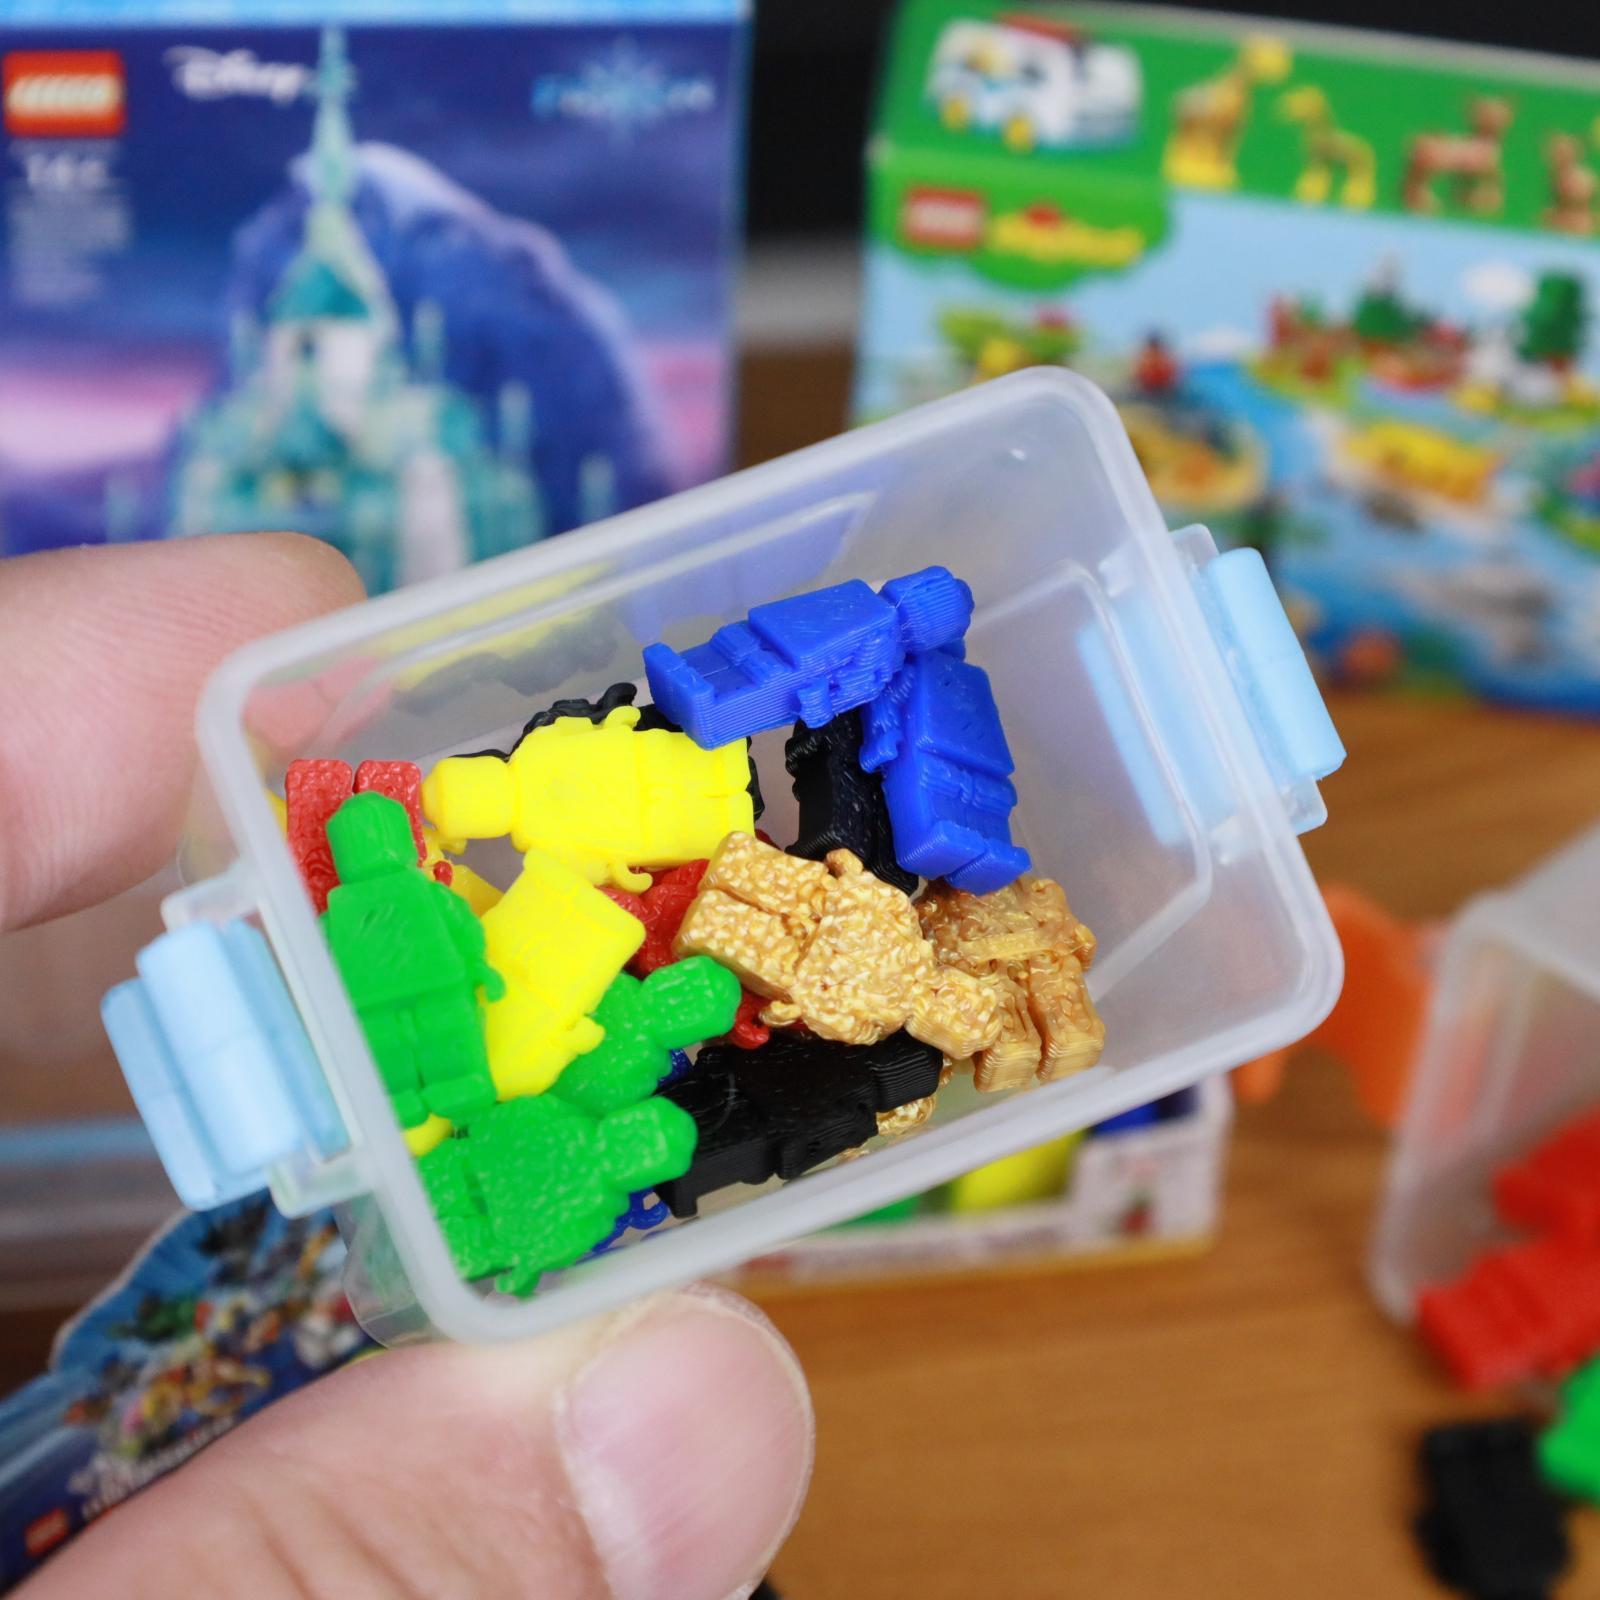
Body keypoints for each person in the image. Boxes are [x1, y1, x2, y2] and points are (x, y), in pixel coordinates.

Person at [0, 533, 814, 1600]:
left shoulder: (518, 1003)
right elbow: (474, 964)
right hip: (466, 1071)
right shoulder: (592, 1085)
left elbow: (460, 960)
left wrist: (511, 1006)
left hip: (454, 1071)